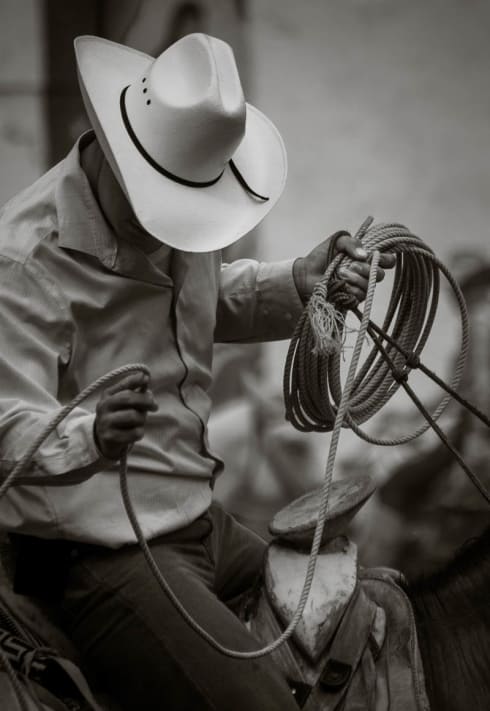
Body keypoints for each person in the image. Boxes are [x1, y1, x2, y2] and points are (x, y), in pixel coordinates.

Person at [0, 33, 394, 710]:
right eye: (161, 210)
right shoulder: (24, 259)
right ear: (117, 158)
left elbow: (216, 297)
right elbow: (6, 424)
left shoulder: (181, 222)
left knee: (364, 612)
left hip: (201, 521)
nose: (171, 236)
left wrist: (301, 281)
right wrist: (91, 433)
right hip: (96, 558)